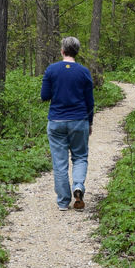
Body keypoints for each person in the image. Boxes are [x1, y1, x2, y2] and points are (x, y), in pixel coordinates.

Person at [40, 36, 94, 212]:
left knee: (60, 162)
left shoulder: (51, 70)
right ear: (77, 52)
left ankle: (63, 201)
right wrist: (90, 122)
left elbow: (44, 95)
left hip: (56, 121)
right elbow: (90, 101)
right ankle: (78, 187)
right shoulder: (84, 72)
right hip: (79, 121)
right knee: (80, 157)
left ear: (62, 51)